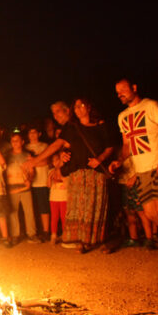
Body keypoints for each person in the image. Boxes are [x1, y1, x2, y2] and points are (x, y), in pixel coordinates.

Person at [108, 79, 158, 264]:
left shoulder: (151, 106)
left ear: (134, 88)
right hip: (141, 169)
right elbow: (127, 144)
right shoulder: (122, 116)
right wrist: (119, 160)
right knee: (150, 213)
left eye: (123, 90)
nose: (120, 94)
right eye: (117, 92)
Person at [24, 99, 114, 253]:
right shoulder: (71, 128)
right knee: (79, 208)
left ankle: (101, 240)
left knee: (96, 207)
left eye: (81, 106)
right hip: (77, 174)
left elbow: (109, 147)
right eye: (76, 107)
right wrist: (35, 161)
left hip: (96, 174)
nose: (78, 109)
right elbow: (56, 145)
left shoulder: (100, 125)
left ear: (89, 107)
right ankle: (83, 242)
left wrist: (100, 159)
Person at [6, 132, 38, 243]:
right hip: (12, 187)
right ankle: (15, 235)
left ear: (22, 142)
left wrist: (30, 179)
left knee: (29, 211)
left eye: (17, 140)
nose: (15, 143)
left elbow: (32, 171)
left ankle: (32, 234)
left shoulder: (26, 156)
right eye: (13, 141)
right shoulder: (7, 156)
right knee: (13, 212)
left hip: (25, 186)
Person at [26, 127, 51, 239]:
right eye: (30, 132)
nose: (32, 134)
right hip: (30, 182)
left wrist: (33, 162)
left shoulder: (44, 146)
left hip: (42, 180)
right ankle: (36, 231)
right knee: (32, 208)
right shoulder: (25, 147)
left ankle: (46, 231)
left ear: (39, 133)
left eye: (34, 132)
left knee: (44, 207)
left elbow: (47, 161)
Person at [47, 153, 68, 245]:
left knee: (64, 217)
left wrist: (61, 177)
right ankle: (54, 235)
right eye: (54, 160)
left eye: (58, 160)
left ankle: (65, 235)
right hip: (54, 198)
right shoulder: (51, 171)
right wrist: (49, 177)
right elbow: (48, 185)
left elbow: (68, 184)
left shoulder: (67, 171)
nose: (57, 162)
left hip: (64, 198)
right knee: (54, 217)